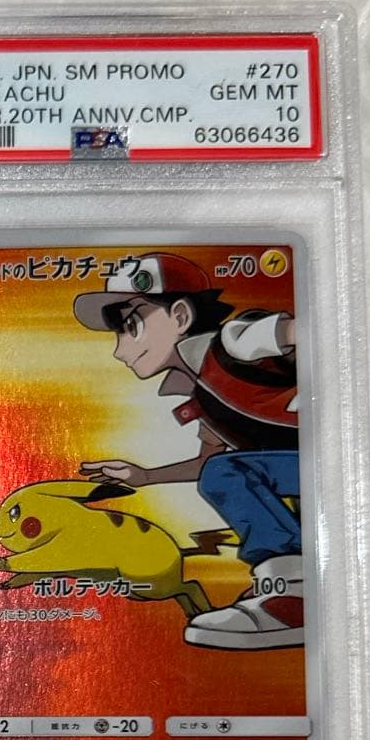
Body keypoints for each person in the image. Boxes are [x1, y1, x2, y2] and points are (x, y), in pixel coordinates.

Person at [73, 251, 303, 650]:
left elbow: (309, 331)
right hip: (307, 473)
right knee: (224, 471)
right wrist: (145, 476)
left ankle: (291, 592)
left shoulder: (234, 342)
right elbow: (209, 464)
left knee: (226, 473)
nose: (119, 350)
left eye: (131, 326)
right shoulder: (205, 399)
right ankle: (288, 591)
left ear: (180, 316)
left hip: (330, 455)